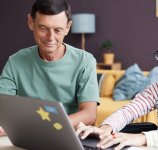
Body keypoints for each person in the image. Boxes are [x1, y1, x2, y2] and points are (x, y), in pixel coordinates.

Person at [0, 0, 99, 136]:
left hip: (68, 137)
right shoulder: (15, 61)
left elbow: (89, 114)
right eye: (43, 28)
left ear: (68, 27)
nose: (50, 37)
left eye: (57, 30)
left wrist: (45, 127)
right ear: (30, 22)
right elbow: (2, 106)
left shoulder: (85, 61)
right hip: (27, 136)